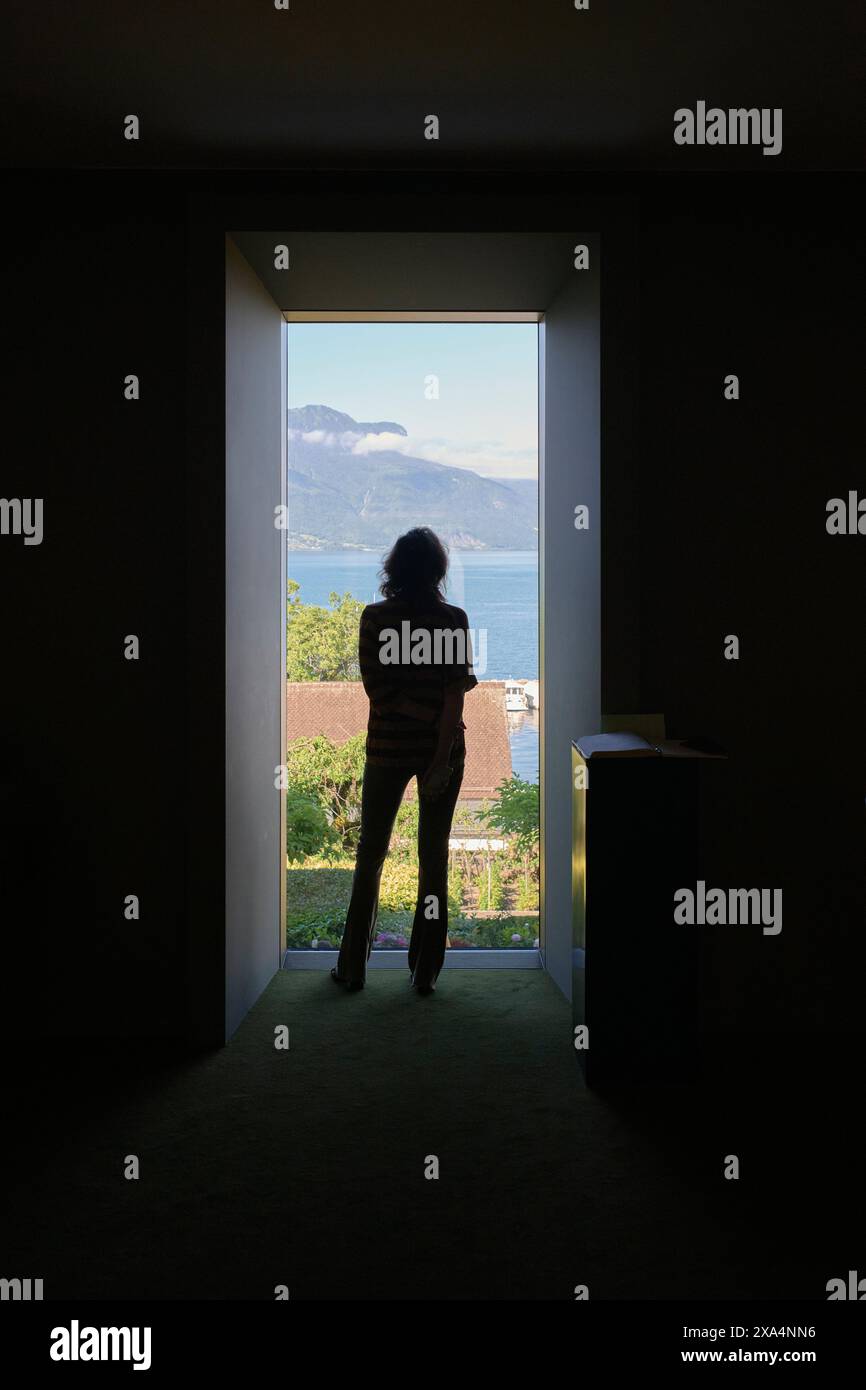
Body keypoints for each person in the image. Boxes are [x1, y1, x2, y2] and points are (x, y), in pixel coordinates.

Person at [331, 527, 477, 995]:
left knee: (370, 854)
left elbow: (380, 692)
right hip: (444, 751)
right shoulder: (453, 619)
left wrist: (419, 713)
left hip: (388, 749)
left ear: (393, 568)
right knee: (433, 859)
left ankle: (353, 966)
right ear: (438, 570)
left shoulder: (375, 618)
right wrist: (438, 750)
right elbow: (456, 696)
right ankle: (425, 973)